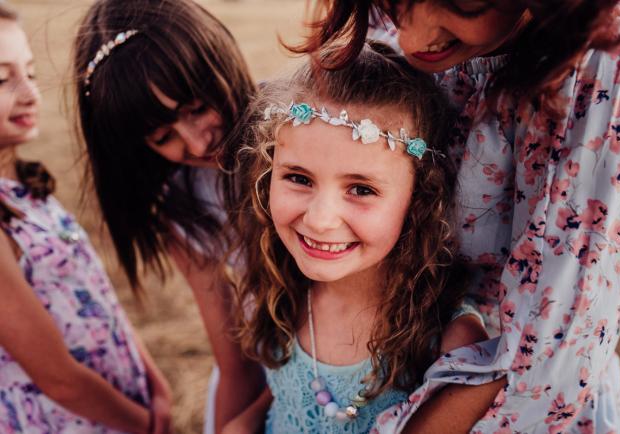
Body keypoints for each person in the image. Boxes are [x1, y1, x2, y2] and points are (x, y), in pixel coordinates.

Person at [292, 0, 620, 432]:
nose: (411, 41)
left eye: (461, 10)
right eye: (394, 4)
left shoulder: (609, 65)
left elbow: (546, 359)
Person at [225, 42, 492, 434]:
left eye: (361, 189)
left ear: (419, 200)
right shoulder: (285, 288)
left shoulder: (450, 341)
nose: (319, 220)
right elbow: (283, 392)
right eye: (298, 178)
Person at [72, 0, 264, 432]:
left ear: (219, 59)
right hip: (273, 367)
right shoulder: (180, 202)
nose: (197, 145)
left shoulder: (304, 139)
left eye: (197, 108)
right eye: (163, 137)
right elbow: (234, 362)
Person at [0, 3, 171, 433]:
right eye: (2, 79)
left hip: (120, 400)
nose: (30, 93)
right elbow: (58, 378)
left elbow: (96, 295)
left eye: (31, 73)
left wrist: (154, 382)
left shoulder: (21, 183)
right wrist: (144, 424)